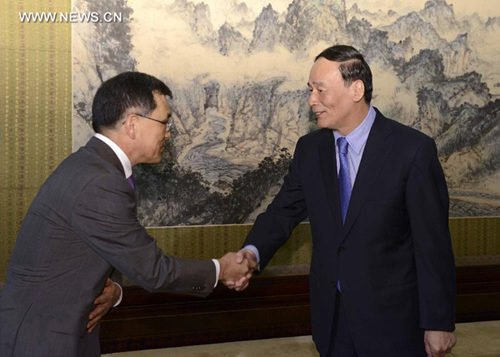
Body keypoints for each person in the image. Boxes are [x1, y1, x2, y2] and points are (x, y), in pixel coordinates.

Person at [0, 72, 250, 357]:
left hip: (56, 331)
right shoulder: (101, 182)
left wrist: (115, 291)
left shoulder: (92, 166)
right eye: (165, 122)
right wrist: (221, 270)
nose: (169, 133)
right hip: (42, 340)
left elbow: (102, 246)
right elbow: (153, 272)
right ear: (132, 124)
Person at [233, 45, 457, 357]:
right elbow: (281, 213)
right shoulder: (310, 150)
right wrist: (251, 253)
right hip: (332, 322)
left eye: (320, 90)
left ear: (356, 89)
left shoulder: (412, 151)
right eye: (310, 90)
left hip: (394, 325)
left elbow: (432, 244)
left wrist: (439, 321)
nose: (312, 100)